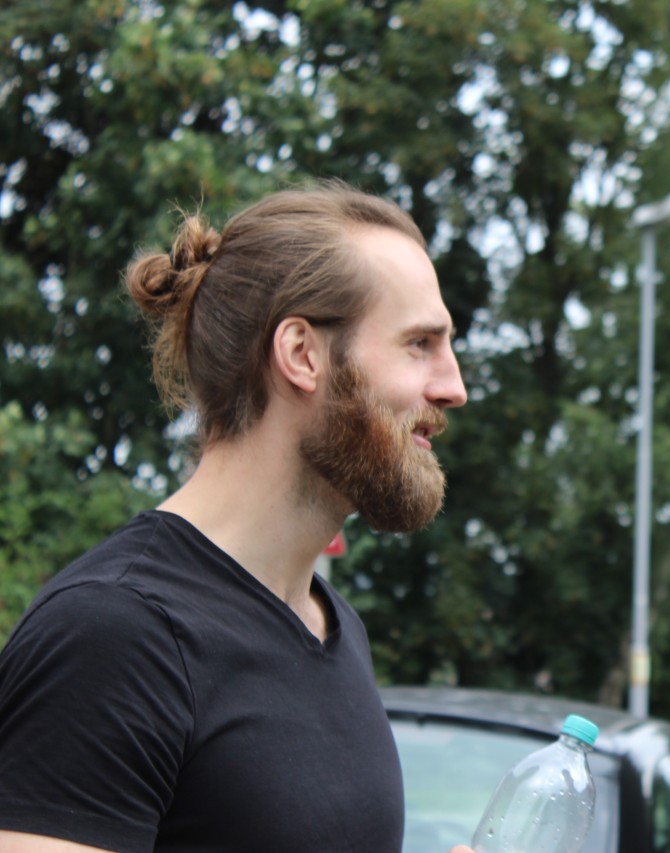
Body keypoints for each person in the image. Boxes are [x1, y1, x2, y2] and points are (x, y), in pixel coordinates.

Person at [0, 182, 467, 852]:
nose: (454, 385)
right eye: (420, 342)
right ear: (302, 353)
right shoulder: (114, 634)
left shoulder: (333, 626)